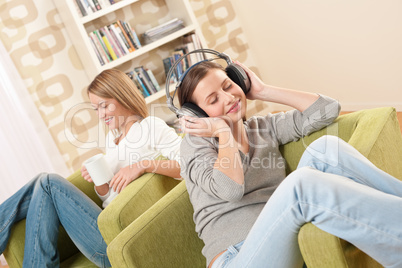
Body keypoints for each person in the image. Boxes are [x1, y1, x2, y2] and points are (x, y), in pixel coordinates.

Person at [177, 60, 402, 268]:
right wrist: (224, 133)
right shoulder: (194, 146)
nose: (228, 98)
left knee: (326, 149)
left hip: (279, 238)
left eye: (228, 86)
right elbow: (231, 189)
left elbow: (327, 110)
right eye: (213, 100)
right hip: (235, 258)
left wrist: (264, 91)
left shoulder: (261, 128)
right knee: (301, 184)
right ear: (197, 115)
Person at [0, 69, 182, 267]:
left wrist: (144, 165)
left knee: (47, 182)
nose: (101, 114)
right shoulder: (111, 140)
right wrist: (100, 182)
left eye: (104, 106)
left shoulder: (150, 126)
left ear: (123, 96)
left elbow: (186, 166)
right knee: (41, 182)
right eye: (96, 109)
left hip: (117, 239)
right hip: (102, 225)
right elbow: (108, 197)